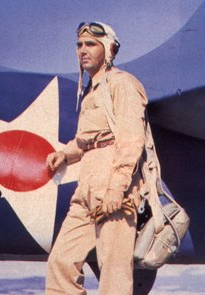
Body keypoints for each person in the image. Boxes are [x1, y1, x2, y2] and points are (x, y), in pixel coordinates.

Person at [45, 21, 148, 295]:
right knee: (60, 263)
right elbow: (87, 140)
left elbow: (130, 140)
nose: (82, 50)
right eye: (79, 45)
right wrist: (65, 154)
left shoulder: (122, 84)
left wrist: (118, 186)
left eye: (90, 44)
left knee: (113, 275)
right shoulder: (92, 90)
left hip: (115, 185)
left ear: (109, 49)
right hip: (87, 186)